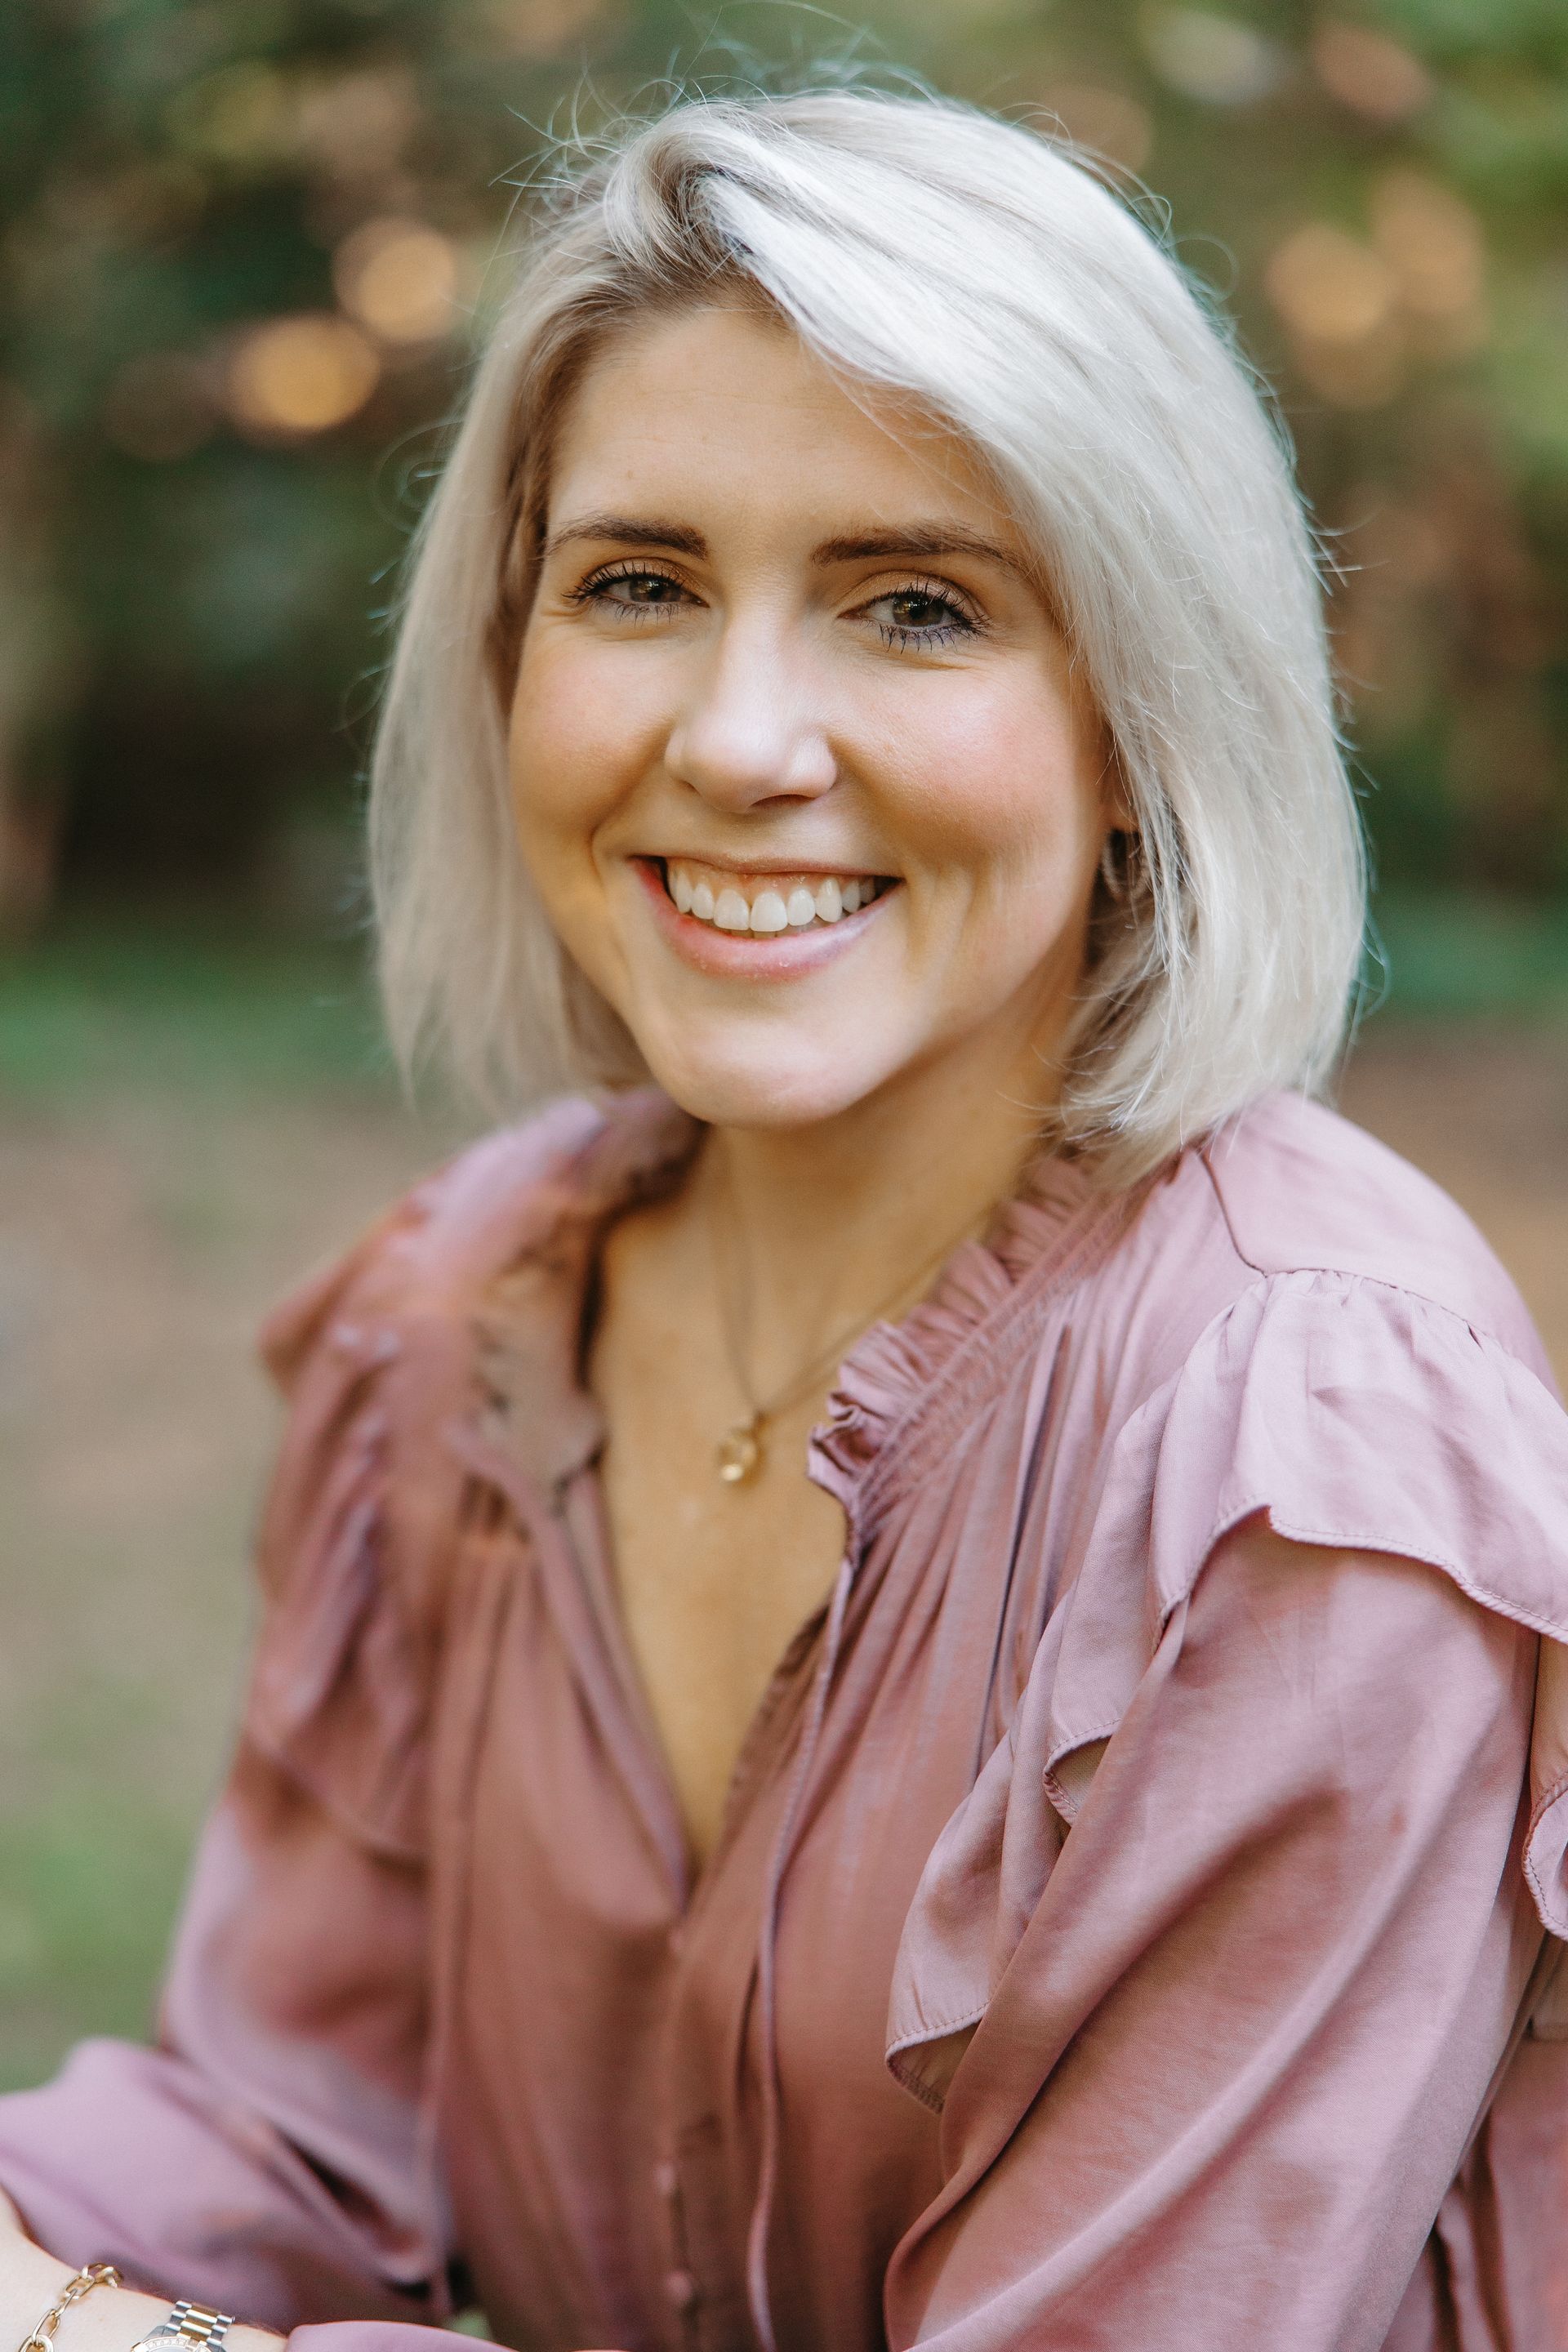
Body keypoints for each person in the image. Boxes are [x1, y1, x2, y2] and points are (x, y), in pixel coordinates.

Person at [2, 82, 1567, 2352]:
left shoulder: (1308, 1459)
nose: (740, 740)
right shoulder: (465, 1316)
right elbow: (294, 2138)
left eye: (914, 606)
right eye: (638, 584)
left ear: (1141, 723)